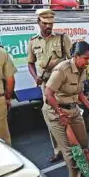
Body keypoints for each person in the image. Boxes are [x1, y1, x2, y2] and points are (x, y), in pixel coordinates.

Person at [44, 41, 89, 177]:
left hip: (73, 110)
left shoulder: (82, 69)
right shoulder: (62, 69)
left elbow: (79, 92)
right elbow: (48, 93)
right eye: (86, 58)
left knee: (83, 145)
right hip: (56, 112)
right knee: (71, 151)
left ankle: (86, 176)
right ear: (76, 56)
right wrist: (60, 113)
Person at [28, 9, 72, 163]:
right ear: (38, 22)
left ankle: (72, 147)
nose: (48, 26)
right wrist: (36, 78)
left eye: (51, 24)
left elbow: (72, 60)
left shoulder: (62, 38)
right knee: (50, 117)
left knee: (67, 114)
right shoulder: (33, 41)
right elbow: (30, 63)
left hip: (62, 84)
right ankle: (58, 150)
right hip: (46, 86)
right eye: (45, 23)